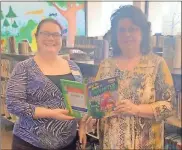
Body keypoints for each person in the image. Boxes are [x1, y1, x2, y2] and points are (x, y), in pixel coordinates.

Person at [95, 5, 175, 149]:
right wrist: (91, 116)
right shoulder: (105, 65)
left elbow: (169, 107)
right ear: (115, 34)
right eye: (122, 30)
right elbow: (96, 103)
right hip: (111, 143)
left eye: (132, 29)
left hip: (146, 144)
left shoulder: (157, 64)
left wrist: (136, 109)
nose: (127, 34)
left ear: (142, 33)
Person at [6, 18, 93, 150]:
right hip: (30, 143)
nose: (51, 38)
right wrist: (51, 113)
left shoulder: (73, 67)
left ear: (61, 38)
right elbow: (13, 104)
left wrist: (81, 127)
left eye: (56, 34)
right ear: (36, 37)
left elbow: (78, 103)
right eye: (45, 33)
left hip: (67, 143)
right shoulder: (23, 68)